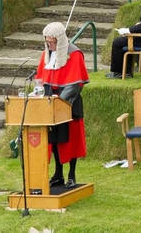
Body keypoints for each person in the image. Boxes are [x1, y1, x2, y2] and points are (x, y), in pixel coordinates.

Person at [34, 22, 89, 190]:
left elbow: (75, 85)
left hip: (69, 103)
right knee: (54, 140)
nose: (50, 45)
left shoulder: (74, 54)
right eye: (47, 42)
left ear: (59, 40)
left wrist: (59, 104)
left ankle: (72, 175)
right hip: (50, 104)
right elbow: (41, 80)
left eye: (52, 42)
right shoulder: (47, 54)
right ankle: (58, 174)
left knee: (71, 141)